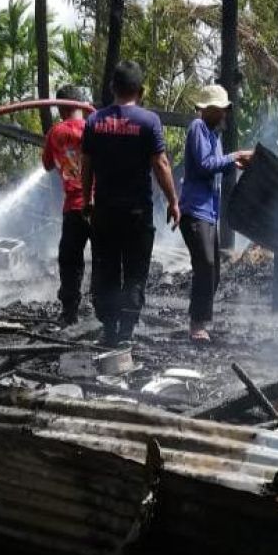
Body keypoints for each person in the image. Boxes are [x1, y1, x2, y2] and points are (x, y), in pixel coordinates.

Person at [82, 61, 181, 346]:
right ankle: (126, 330)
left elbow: (85, 166)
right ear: (141, 90)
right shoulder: (148, 122)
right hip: (137, 213)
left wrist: (87, 198)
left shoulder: (94, 122)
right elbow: (161, 164)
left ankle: (110, 328)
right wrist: (174, 201)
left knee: (107, 270)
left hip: (104, 212)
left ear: (113, 87)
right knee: (136, 273)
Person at [179, 85, 253, 343]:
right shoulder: (198, 128)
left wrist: (235, 161)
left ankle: (200, 320)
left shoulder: (214, 135)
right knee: (205, 265)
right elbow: (204, 165)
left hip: (209, 212)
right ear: (209, 110)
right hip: (195, 210)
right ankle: (196, 325)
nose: (225, 114)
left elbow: (218, 166)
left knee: (214, 269)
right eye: (221, 110)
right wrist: (235, 156)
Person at [42, 84, 91, 326]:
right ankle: (110, 311)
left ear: (62, 107)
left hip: (74, 207)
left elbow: (48, 165)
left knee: (70, 260)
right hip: (101, 206)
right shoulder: (96, 127)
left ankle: (70, 311)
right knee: (105, 258)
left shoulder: (56, 133)